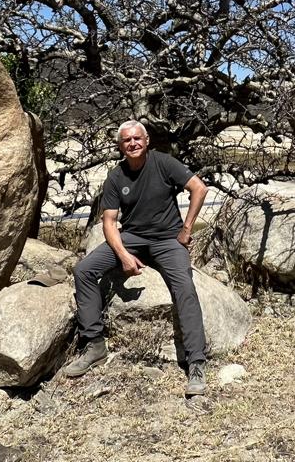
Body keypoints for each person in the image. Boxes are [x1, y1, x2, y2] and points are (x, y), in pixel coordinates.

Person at [64, 120, 209, 396]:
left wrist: (186, 229)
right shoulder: (116, 177)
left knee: (184, 287)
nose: (132, 144)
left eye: (137, 139)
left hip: (167, 239)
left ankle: (196, 363)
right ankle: (94, 345)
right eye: (126, 140)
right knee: (84, 270)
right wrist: (124, 256)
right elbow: (109, 222)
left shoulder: (164, 163)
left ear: (147, 141)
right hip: (132, 237)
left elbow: (198, 188)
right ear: (120, 146)